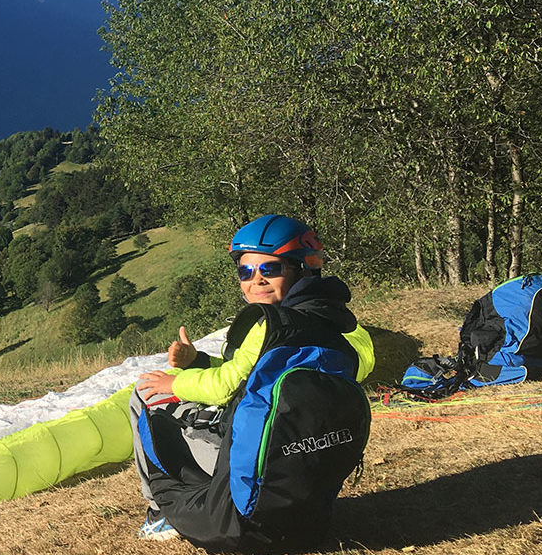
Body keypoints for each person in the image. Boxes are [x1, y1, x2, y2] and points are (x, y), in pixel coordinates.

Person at [129, 214, 376, 543]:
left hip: (253, 450)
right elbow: (252, 373)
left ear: (300, 269)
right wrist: (197, 361)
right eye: (246, 271)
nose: (255, 281)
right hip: (301, 458)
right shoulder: (328, 320)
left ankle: (160, 514)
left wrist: (172, 384)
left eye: (269, 269)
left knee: (143, 398)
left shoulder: (270, 324)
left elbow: (225, 387)